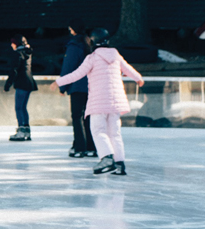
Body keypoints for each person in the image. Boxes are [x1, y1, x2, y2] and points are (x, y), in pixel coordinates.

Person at [50, 28, 144, 176]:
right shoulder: (115, 55)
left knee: (98, 131)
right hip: (115, 103)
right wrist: (138, 78)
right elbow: (128, 69)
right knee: (115, 134)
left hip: (99, 102)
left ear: (93, 41)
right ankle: (119, 164)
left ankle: (107, 158)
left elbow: (77, 74)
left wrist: (59, 82)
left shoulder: (92, 58)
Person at [59, 19, 97, 158]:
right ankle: (91, 147)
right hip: (92, 86)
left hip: (78, 87)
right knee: (88, 117)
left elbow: (68, 66)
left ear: (73, 30)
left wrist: (62, 86)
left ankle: (80, 147)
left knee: (77, 117)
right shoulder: (90, 44)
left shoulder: (74, 45)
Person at [4, 34, 36, 141]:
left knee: (19, 108)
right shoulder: (27, 52)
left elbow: (14, 70)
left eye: (12, 43)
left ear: (16, 43)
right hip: (29, 82)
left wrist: (8, 84)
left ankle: (21, 131)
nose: (11, 45)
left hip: (22, 83)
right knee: (23, 107)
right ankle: (26, 131)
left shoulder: (18, 53)